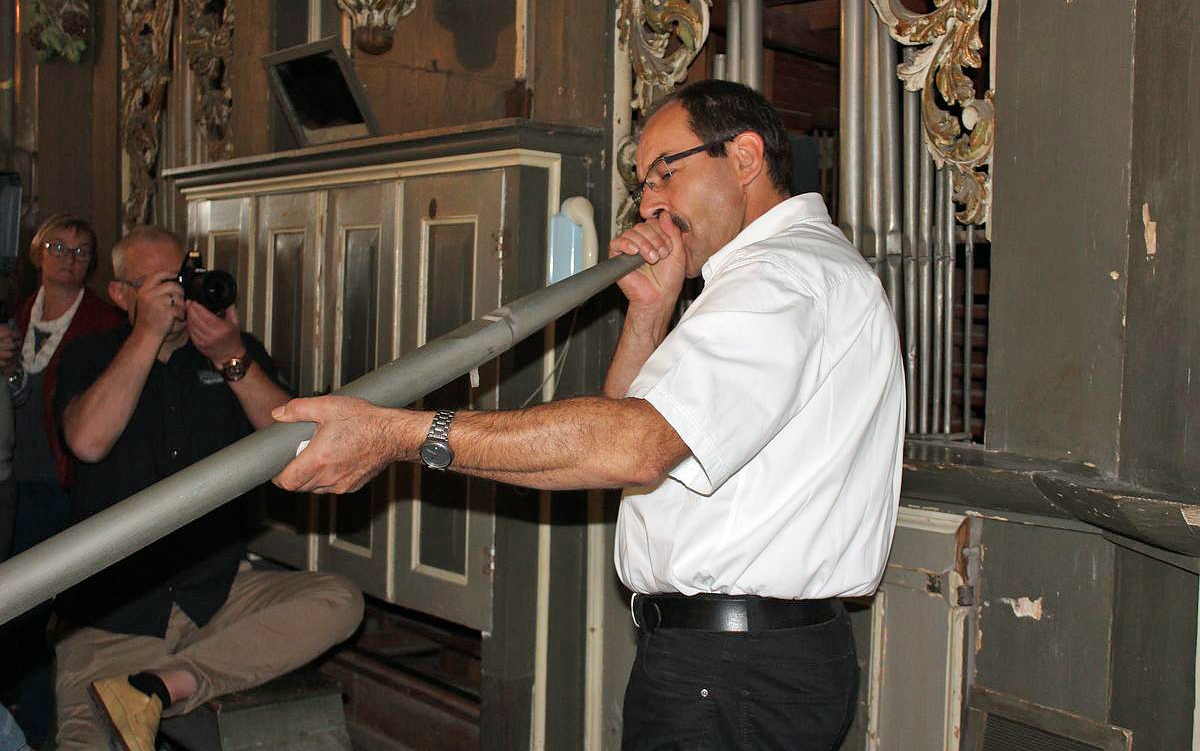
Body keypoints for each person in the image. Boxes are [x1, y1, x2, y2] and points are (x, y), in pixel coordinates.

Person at [272, 80, 905, 749]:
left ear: (744, 157)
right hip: (729, 664)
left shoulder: (780, 277)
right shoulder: (771, 277)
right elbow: (627, 432)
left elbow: (632, 448)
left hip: (736, 669)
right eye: (644, 185)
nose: (651, 202)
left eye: (666, 171)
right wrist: (650, 314)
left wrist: (395, 432)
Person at [53, 225, 363, 751]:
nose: (176, 297)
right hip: (111, 617)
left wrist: (231, 357)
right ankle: (142, 687)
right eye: (158, 286)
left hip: (213, 597)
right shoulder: (91, 353)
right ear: (122, 294)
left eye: (182, 280)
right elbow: (87, 442)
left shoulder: (233, 354)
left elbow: (300, 446)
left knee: (340, 600)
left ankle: (163, 686)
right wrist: (146, 336)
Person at [0, 214, 124, 746]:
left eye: (80, 250)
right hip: (10, 480)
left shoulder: (103, 321)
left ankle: (35, 730)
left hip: (61, 480)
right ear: (37, 253)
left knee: (35, 610)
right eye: (57, 246)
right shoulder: (17, 313)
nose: (67, 259)